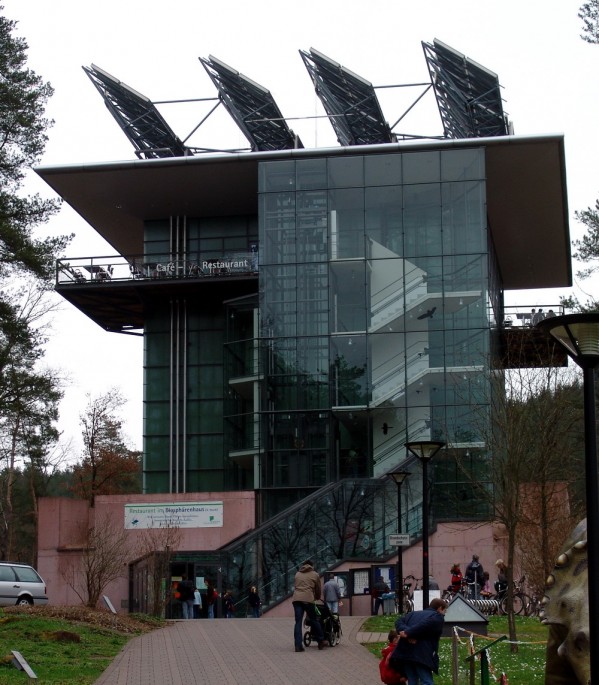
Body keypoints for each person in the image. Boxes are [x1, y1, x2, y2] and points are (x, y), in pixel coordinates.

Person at [393, 598, 448, 685]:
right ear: (440, 608)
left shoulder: (412, 614)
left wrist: (408, 633)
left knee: (412, 680)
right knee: (426, 681)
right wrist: (408, 633)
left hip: (406, 653)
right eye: (445, 610)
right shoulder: (437, 617)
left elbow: (399, 621)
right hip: (422, 654)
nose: (445, 613)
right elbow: (425, 625)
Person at [292, 559, 326, 652]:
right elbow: (318, 589)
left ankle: (298, 645)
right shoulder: (315, 574)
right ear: (312, 566)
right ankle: (321, 640)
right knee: (314, 619)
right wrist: (317, 597)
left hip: (297, 599)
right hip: (308, 599)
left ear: (303, 565)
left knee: (298, 622)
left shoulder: (297, 574)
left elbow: (295, 586)